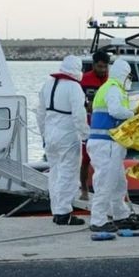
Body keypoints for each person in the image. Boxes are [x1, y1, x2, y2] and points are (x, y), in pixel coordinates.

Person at [87, 59, 139, 232]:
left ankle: (120, 215)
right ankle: (98, 220)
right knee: (105, 182)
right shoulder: (113, 89)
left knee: (119, 183)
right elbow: (116, 111)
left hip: (109, 144)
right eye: (129, 76)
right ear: (124, 74)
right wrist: (134, 114)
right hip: (107, 144)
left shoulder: (110, 88)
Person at [36, 55, 88, 225]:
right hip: (68, 136)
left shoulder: (48, 84)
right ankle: (64, 213)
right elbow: (79, 115)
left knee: (55, 174)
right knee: (68, 174)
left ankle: (57, 210)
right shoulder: (74, 87)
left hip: (50, 135)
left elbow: (40, 113)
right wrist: (86, 135)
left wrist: (43, 135)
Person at [79, 51, 109, 200]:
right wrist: (85, 106)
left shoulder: (111, 81)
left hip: (106, 126)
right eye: (100, 66)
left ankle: (101, 191)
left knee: (104, 160)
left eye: (105, 67)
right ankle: (84, 190)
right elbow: (76, 101)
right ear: (94, 65)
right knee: (85, 159)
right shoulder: (83, 80)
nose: (102, 70)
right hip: (88, 124)